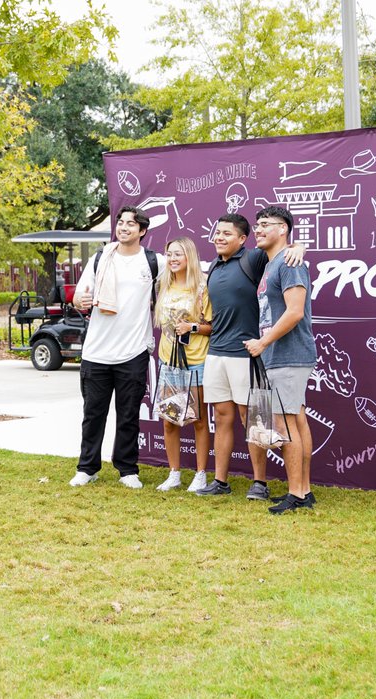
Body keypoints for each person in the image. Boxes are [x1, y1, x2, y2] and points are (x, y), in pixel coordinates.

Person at [195, 214, 303, 500]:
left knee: (252, 418)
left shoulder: (253, 259)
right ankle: (220, 480)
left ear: (242, 239)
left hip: (247, 353)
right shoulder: (214, 267)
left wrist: (299, 246)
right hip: (216, 352)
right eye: (217, 233)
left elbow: (282, 249)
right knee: (221, 416)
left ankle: (260, 482)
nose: (219, 238)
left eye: (227, 233)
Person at [69, 205, 164, 489]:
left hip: (133, 351)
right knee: (93, 414)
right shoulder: (101, 257)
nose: (123, 228)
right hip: (96, 351)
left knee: (128, 415)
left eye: (130, 224)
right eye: (120, 223)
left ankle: (127, 469)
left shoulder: (153, 262)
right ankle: (87, 468)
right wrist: (80, 302)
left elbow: (184, 279)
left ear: (142, 231)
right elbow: (79, 297)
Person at [244, 206, 318, 514]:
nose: (258, 229)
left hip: (288, 354)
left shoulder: (289, 263)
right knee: (296, 420)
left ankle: (296, 494)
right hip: (280, 355)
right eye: (256, 224)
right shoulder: (273, 263)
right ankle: (305, 490)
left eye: (264, 224)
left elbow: (294, 311)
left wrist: (263, 342)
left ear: (283, 229)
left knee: (285, 424)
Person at [152, 237, 213, 492]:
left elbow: (213, 326)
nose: (173, 259)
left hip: (196, 361)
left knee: (198, 419)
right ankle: (174, 473)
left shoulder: (201, 288)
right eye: (169, 254)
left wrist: (192, 327)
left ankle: (200, 474)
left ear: (189, 256)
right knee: (170, 420)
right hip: (169, 361)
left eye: (178, 254)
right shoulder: (163, 285)